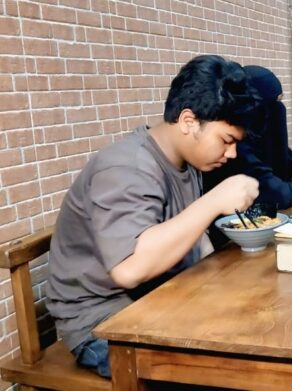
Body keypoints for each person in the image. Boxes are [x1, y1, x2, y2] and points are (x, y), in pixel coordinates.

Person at [45, 55, 261, 377]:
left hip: (160, 299)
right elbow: (129, 270)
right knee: (223, 372)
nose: (231, 154)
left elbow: (192, 232)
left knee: (254, 325)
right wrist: (215, 200)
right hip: (104, 324)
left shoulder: (185, 161)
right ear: (189, 121)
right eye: (226, 140)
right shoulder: (127, 168)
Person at [203, 65, 292, 211]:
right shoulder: (236, 145)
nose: (279, 109)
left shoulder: (261, 137)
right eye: (276, 102)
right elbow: (277, 195)